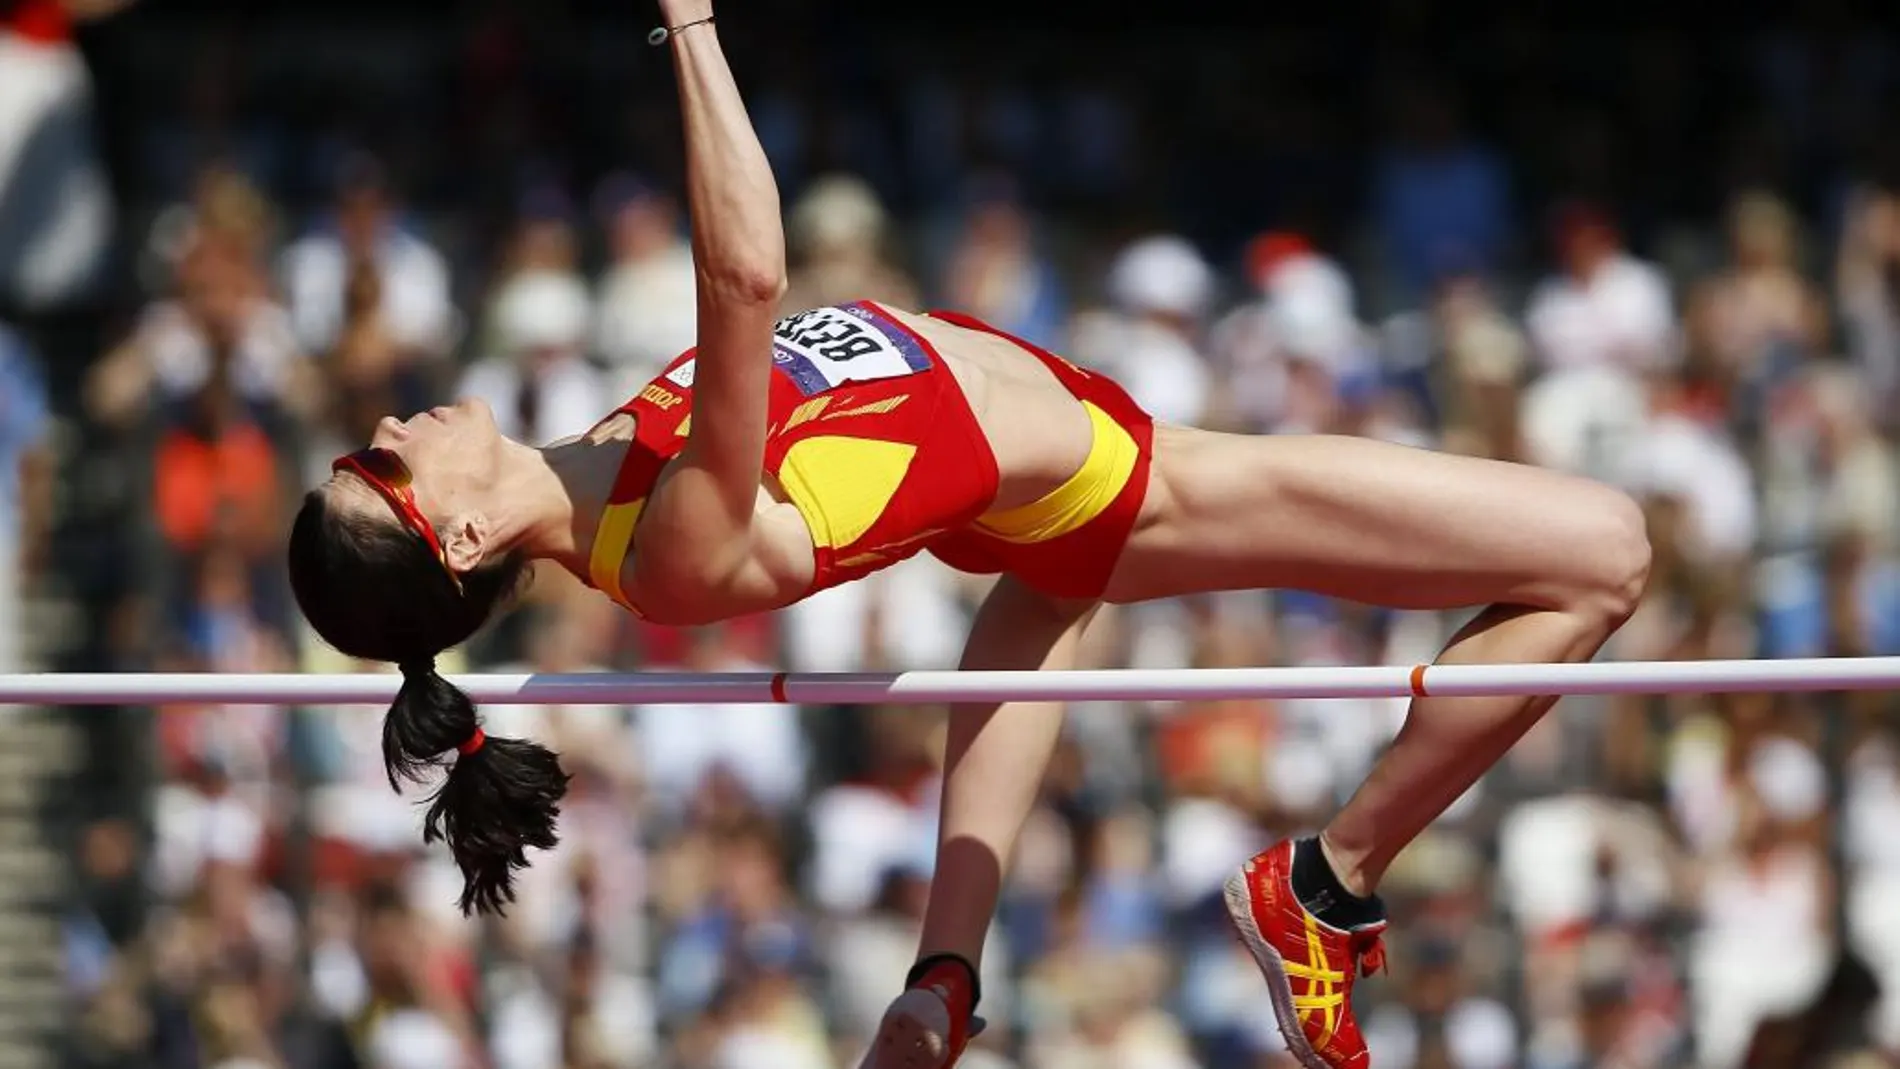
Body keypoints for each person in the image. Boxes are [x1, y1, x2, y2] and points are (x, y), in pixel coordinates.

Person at [284, 4, 1652, 1067]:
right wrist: (690, 24)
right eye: (376, 472)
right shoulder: (667, 550)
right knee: (1604, 553)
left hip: (1043, 514)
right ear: (460, 540)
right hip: (1138, 486)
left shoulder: (594, 458)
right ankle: (1329, 884)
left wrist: (946, 972)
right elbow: (749, 273)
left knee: (1044, 609)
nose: (387, 432)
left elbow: (1012, 621)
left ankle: (950, 978)